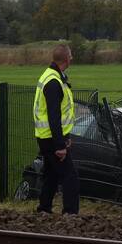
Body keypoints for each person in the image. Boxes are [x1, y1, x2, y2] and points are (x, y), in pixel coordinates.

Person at [33, 43, 80, 215]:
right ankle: (70, 213)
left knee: (51, 175)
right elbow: (54, 117)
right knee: (70, 176)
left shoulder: (50, 76)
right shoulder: (54, 82)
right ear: (67, 59)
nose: (72, 58)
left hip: (46, 136)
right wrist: (60, 145)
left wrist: (64, 136)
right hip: (51, 139)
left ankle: (44, 208)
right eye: (71, 55)